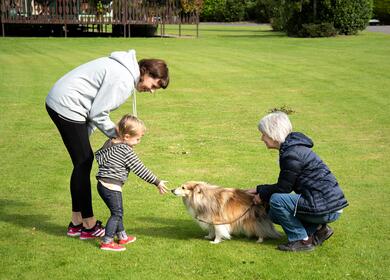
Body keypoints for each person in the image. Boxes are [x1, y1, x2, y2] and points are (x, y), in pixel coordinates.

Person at [45, 50, 169, 239]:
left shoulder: (124, 72)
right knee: (84, 162)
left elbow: (94, 110)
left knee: (82, 162)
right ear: (145, 72)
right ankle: (88, 225)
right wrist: (120, 138)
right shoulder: (123, 80)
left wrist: (87, 135)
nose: (151, 91)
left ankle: (76, 222)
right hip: (67, 104)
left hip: (64, 102)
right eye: (153, 85)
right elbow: (98, 113)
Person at [247, 111, 348, 252]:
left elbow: (283, 189)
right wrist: (259, 189)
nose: (261, 138)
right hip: (329, 205)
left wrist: (262, 194)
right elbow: (287, 183)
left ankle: (302, 240)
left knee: (276, 201)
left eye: (263, 134)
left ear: (273, 134)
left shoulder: (291, 154)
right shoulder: (293, 149)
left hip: (326, 208)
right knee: (273, 211)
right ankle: (318, 229)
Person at [96, 114, 168, 251]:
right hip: (112, 187)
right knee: (116, 214)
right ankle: (107, 241)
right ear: (127, 137)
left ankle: (122, 236)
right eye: (138, 139)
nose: (138, 142)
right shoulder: (125, 150)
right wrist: (157, 182)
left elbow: (100, 156)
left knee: (117, 211)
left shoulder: (110, 142)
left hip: (102, 185)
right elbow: (140, 169)